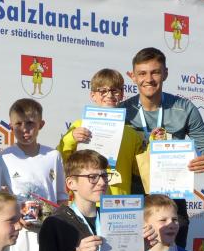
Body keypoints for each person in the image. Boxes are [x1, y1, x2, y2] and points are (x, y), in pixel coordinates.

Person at [121, 47, 204, 247]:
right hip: (133, 197)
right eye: (142, 73)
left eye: (155, 72)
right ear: (133, 76)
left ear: (165, 73)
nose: (149, 79)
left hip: (172, 199)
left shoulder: (184, 108)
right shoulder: (122, 111)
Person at [0, 98, 67, 251]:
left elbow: (62, 198)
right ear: (10, 126)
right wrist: (14, 218)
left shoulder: (53, 155)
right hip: (20, 240)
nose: (25, 130)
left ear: (41, 124)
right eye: (18, 124)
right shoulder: (4, 158)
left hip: (48, 238)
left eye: (30, 124)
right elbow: (0, 201)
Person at [58, 68, 143, 196]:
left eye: (114, 90)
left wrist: (154, 145)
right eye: (103, 91)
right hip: (86, 200)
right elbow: (61, 160)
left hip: (118, 201)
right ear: (93, 95)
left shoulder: (131, 133)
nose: (109, 95)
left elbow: (140, 170)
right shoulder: (79, 126)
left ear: (121, 94)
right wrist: (71, 138)